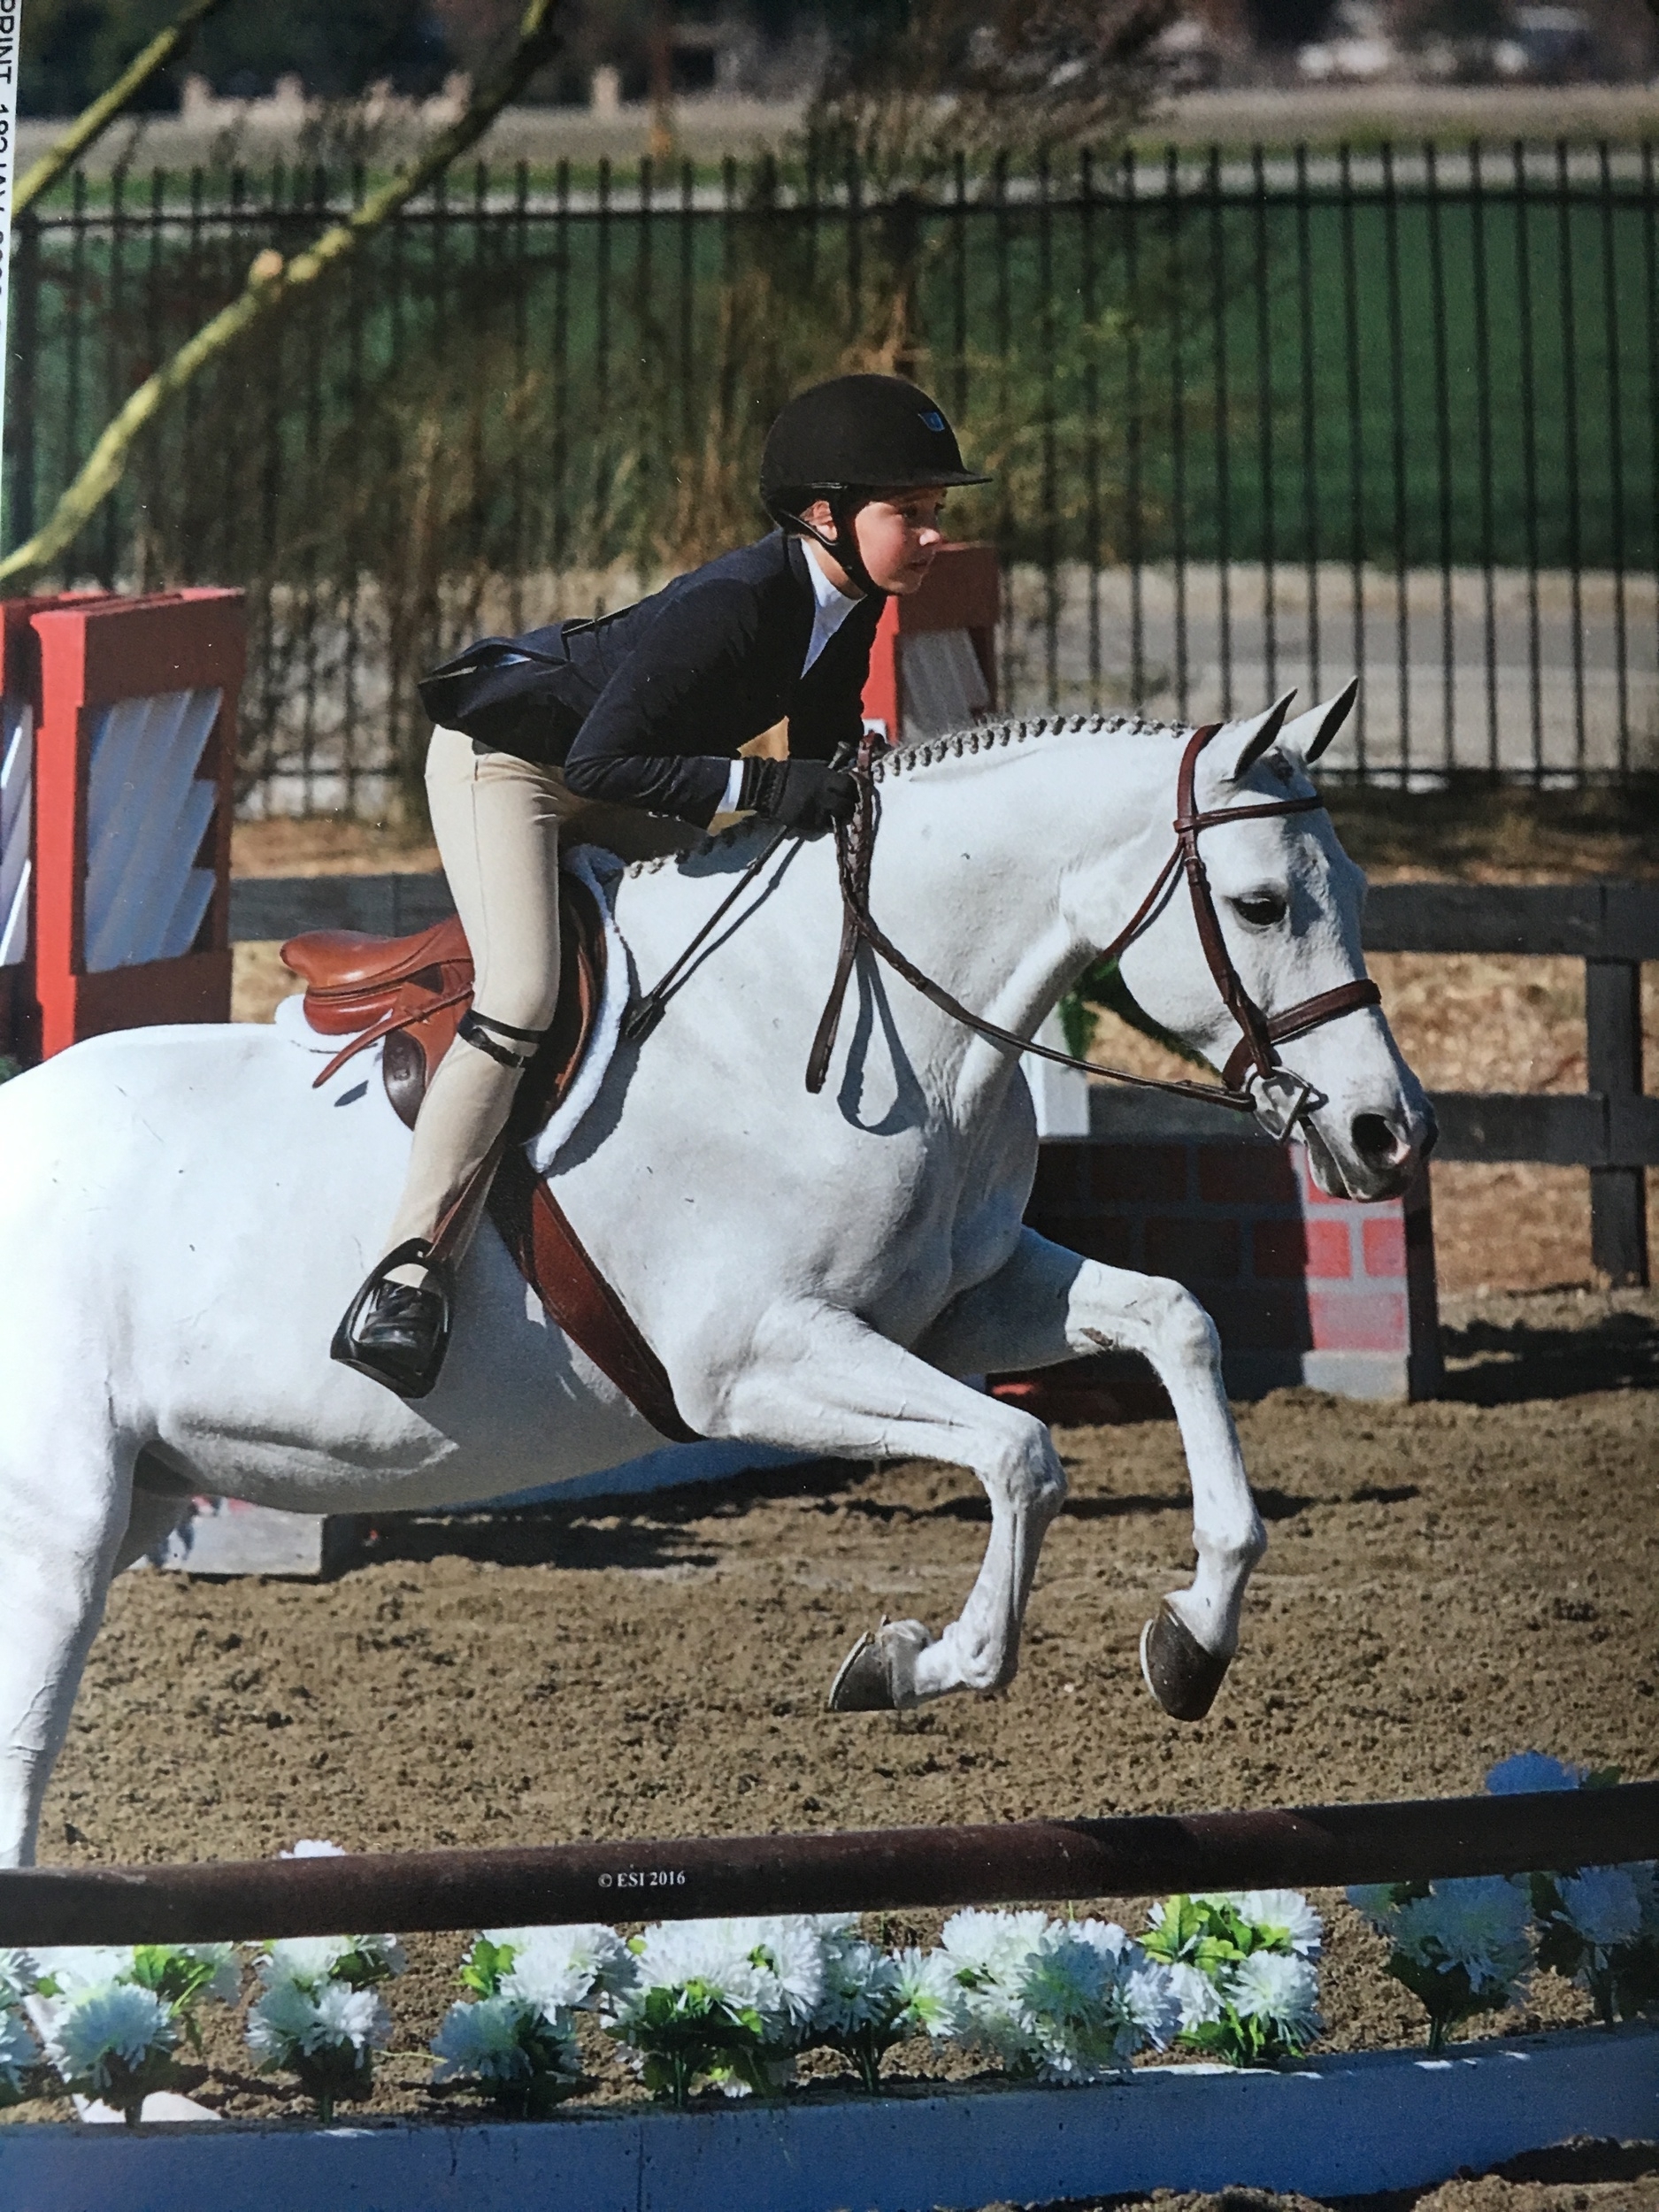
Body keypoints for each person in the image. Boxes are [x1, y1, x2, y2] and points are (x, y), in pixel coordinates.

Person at [332, 372, 990, 1398]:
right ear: (824, 516)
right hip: (508, 768)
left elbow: (820, 768)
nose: (933, 534)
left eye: (937, 513)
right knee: (523, 995)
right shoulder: (737, 603)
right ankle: (408, 1272)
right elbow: (600, 765)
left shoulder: (848, 604)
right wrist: (774, 783)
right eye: (910, 512)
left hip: (612, 772)